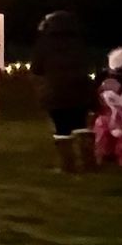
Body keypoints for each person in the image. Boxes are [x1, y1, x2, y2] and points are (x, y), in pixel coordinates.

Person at [29, 10, 92, 171]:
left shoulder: (44, 43)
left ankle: (68, 165)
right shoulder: (79, 42)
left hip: (56, 93)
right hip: (80, 91)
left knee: (62, 128)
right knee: (81, 125)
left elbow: (36, 68)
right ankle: (89, 162)